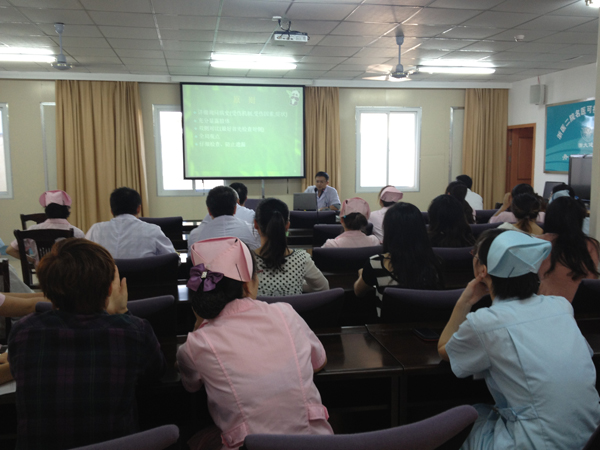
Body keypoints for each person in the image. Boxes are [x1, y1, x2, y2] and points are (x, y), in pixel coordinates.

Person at [438, 229, 600, 450]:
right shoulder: (560, 306)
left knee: (461, 427)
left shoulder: (485, 322)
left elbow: (445, 349)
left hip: (538, 443)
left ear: (482, 269)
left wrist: (465, 300)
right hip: (589, 438)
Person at [8, 238, 166, 450]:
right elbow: (156, 372)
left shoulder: (23, 332)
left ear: (46, 290)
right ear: (109, 289)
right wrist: (122, 313)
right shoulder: (134, 331)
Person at [177, 237, 333, 450]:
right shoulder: (285, 312)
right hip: (317, 443)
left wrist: (199, 323)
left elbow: (191, 385)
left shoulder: (195, 345)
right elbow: (318, 363)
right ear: (248, 285)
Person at [354, 202, 443, 301]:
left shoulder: (376, 263)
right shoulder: (435, 263)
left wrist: (363, 274)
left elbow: (358, 292)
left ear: (388, 230)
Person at [253, 198, 328, 296]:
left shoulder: (247, 259)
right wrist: (297, 283)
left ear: (255, 224)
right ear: (287, 226)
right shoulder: (301, 259)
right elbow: (324, 288)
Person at [538, 196, 599, 302]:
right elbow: (590, 281)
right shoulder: (591, 245)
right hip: (581, 307)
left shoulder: (539, 242)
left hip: (547, 305)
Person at [86, 187, 176, 258]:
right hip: (143, 276)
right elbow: (172, 259)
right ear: (139, 208)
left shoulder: (95, 230)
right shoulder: (153, 230)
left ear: (111, 211)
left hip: (106, 276)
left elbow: (83, 258)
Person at [6, 190, 85, 261]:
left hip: (41, 271)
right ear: (66, 211)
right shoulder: (77, 233)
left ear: (46, 211)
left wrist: (33, 261)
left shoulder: (32, 230)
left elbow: (10, 250)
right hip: (68, 272)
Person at [188, 185, 261, 251]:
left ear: (209, 211)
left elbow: (193, 259)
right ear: (235, 209)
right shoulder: (252, 232)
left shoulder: (195, 236)